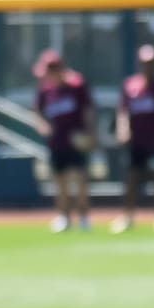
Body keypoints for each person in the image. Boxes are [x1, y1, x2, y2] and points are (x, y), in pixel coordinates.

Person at [112, 44, 154, 234]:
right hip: (136, 142)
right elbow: (122, 111)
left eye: (151, 62)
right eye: (144, 62)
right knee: (132, 178)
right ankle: (128, 216)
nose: (148, 66)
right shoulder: (130, 86)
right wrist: (123, 130)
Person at [32, 49, 97, 232]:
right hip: (56, 142)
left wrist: (90, 133)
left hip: (76, 142)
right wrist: (43, 126)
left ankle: (84, 218)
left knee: (79, 180)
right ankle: (64, 217)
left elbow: (88, 110)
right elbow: (36, 112)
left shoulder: (76, 86)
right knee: (60, 182)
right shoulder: (46, 90)